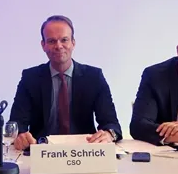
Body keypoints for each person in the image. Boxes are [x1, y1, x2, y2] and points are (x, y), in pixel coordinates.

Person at [10, 15, 122, 150]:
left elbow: (112, 124)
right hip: (42, 151)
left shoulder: (94, 77)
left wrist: (109, 134)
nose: (58, 46)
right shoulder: (30, 78)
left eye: (64, 40)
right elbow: (16, 123)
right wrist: (19, 135)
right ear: (43, 45)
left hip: (84, 151)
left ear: (73, 43)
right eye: (51, 41)